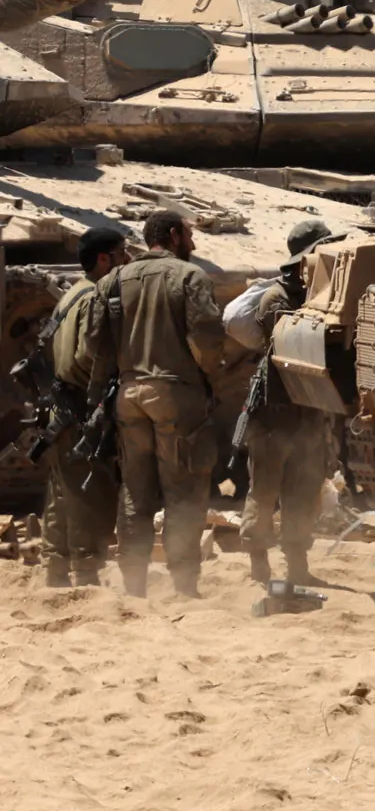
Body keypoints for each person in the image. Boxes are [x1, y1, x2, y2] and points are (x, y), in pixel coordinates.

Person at [95, 210, 224, 598]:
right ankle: (184, 586)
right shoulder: (189, 277)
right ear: (173, 234)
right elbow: (206, 340)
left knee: (135, 491)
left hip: (129, 395)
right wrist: (207, 377)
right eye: (189, 234)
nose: (193, 242)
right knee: (184, 491)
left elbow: (95, 346)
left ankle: (133, 586)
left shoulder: (113, 280)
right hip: (175, 395)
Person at [236, 218, 340, 586]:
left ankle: (297, 567)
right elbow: (291, 342)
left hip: (308, 415)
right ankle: (259, 565)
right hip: (274, 414)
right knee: (264, 491)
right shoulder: (276, 298)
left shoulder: (324, 294)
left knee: (303, 492)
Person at [37, 226, 127, 587]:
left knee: (61, 492)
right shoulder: (94, 298)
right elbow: (88, 354)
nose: (127, 261)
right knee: (90, 492)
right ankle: (87, 575)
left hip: (61, 408)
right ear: (104, 259)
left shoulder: (71, 294)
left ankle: (55, 571)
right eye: (122, 253)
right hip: (79, 409)